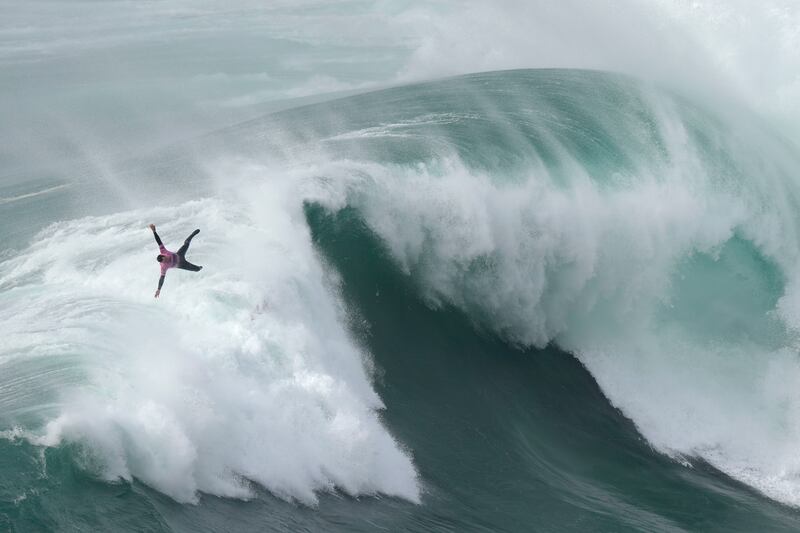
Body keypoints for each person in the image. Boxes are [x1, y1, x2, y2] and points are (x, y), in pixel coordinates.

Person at [149, 224, 202, 298]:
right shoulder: (163, 267)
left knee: (186, 243)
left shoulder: (163, 251)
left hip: (179, 254)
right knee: (197, 269)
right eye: (164, 261)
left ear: (164, 255)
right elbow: (162, 278)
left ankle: (192, 234)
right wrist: (159, 289)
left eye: (165, 259)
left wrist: (154, 231)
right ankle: (199, 267)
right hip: (182, 265)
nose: (166, 260)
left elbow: (159, 241)